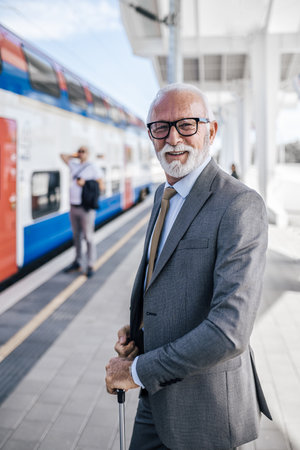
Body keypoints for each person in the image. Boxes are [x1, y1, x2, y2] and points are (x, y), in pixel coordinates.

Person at [105, 84, 271, 450]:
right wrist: (141, 332)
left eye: (187, 125)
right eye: (160, 128)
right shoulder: (163, 197)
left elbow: (229, 331)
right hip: (155, 399)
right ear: (150, 135)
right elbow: (168, 279)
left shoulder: (240, 206)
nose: (173, 138)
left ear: (211, 131)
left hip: (205, 409)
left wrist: (135, 372)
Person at [60, 146, 104, 278]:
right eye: (79, 151)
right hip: (73, 207)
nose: (80, 153)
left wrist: (85, 183)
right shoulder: (74, 165)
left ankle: (90, 264)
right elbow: (62, 155)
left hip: (86, 208)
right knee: (76, 237)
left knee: (88, 237)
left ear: (88, 154)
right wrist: (75, 155)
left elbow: (101, 186)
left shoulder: (93, 167)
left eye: (83, 151)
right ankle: (78, 262)